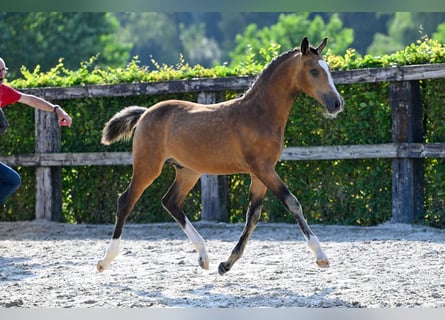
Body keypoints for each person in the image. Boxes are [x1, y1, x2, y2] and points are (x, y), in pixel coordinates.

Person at [0, 57, 72, 205]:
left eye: (3, 70)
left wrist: (56, 109)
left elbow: (30, 100)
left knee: (12, 180)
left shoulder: (3, 92)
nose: (2, 74)